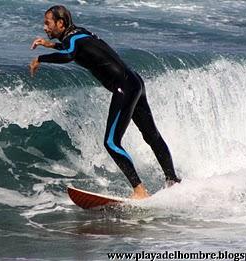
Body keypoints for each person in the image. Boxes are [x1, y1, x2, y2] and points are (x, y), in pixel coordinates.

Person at [29, 5, 181, 199]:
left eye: (47, 23)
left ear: (60, 23)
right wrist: (52, 45)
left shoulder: (72, 40)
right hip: (135, 82)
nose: (45, 28)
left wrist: (40, 58)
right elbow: (74, 48)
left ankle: (139, 190)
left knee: (111, 142)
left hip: (124, 87)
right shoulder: (79, 33)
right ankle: (172, 181)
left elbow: (69, 54)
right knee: (152, 136)